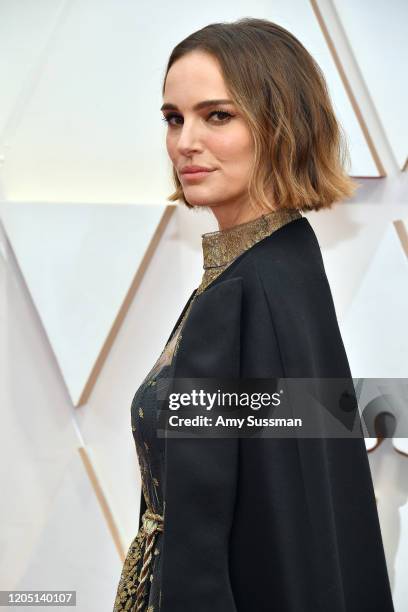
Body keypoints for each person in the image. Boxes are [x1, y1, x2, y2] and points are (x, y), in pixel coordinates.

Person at [113, 17, 395, 612]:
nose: (186, 141)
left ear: (281, 127)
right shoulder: (282, 262)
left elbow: (227, 534)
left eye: (218, 115)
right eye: (173, 118)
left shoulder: (249, 291)